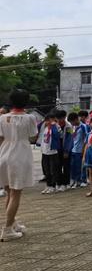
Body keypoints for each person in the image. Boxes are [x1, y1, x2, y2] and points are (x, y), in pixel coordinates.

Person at [0, 89, 38, 241]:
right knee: (15, 194)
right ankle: (7, 229)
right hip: (19, 155)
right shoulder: (29, 118)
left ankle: (13, 223)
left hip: (4, 154)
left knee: (9, 192)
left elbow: (1, 138)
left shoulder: (2, 118)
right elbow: (33, 135)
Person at [37, 113, 60, 194]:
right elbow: (38, 127)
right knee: (46, 170)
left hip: (52, 152)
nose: (47, 122)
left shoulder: (56, 127)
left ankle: (53, 186)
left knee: (53, 170)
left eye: (49, 120)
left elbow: (57, 135)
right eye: (46, 120)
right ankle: (48, 185)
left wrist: (53, 125)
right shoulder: (45, 127)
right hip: (45, 151)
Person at [68, 112, 88, 189]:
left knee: (81, 166)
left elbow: (86, 139)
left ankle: (83, 180)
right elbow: (71, 136)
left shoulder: (83, 126)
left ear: (76, 119)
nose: (72, 123)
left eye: (72, 122)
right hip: (73, 149)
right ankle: (75, 180)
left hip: (80, 149)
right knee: (73, 166)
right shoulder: (71, 127)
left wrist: (84, 149)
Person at [55, 109, 73, 192]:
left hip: (65, 149)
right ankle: (59, 183)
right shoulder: (55, 125)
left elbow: (70, 139)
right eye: (58, 118)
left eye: (61, 118)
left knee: (66, 167)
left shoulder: (69, 126)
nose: (59, 120)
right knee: (57, 167)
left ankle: (66, 183)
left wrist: (67, 150)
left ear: (64, 117)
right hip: (57, 149)